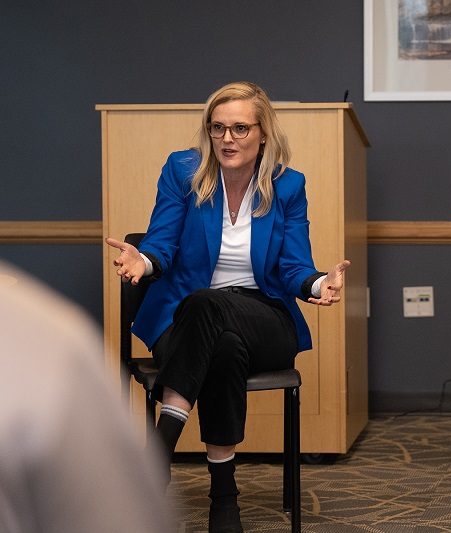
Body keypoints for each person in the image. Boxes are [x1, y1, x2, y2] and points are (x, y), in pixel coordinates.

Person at [106, 81, 349, 532]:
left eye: (239, 128)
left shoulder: (287, 186)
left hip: (264, 318)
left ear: (263, 134)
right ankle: (224, 501)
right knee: (221, 343)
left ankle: (159, 452)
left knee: (213, 309)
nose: (227, 138)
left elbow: (295, 266)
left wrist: (318, 285)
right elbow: (160, 241)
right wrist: (142, 258)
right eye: (217, 128)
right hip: (187, 319)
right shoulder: (183, 171)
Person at [0, 263, 170, 532]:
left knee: (216, 317)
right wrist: (145, 260)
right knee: (207, 313)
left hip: (254, 324)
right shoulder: (52, 354)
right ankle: (222, 488)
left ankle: (170, 435)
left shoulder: (53, 351)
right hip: (190, 324)